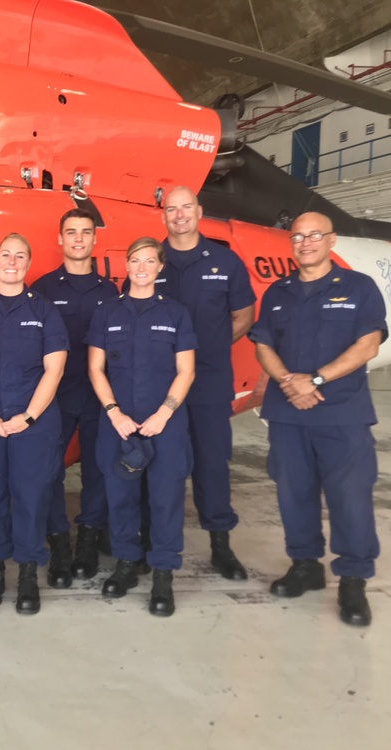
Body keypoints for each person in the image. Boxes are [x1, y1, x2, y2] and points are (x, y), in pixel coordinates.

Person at [248, 212, 386, 627]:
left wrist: (317, 379)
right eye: (298, 236)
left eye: (314, 235)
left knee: (350, 498)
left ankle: (353, 580)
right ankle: (305, 565)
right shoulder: (278, 293)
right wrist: (289, 381)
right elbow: (263, 346)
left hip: (341, 413)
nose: (306, 243)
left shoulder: (359, 287)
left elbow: (368, 345)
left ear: (330, 239)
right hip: (288, 413)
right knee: (293, 495)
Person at [139, 186, 256, 579]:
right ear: (163, 216)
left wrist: (208, 349)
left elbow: (243, 316)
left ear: (199, 211)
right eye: (171, 209)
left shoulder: (225, 261)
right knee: (158, 466)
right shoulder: (150, 263)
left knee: (211, 465)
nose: (179, 215)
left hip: (208, 383)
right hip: (158, 388)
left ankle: (220, 546)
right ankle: (151, 542)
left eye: (186, 207)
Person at [87, 236, 196, 617]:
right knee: (121, 497)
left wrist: (164, 412)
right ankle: (127, 564)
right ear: (127, 265)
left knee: (165, 499)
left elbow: (186, 370)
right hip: (118, 422)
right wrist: (114, 412)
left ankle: (163, 573)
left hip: (165, 423)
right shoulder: (107, 313)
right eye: (135, 260)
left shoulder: (176, 314)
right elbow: (95, 369)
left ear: (160, 267)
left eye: (150, 261)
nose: (142, 267)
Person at [0, 233, 67, 614]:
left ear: (28, 263)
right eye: (5, 254)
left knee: (31, 496)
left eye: (20, 256)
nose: (12, 261)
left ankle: (26, 573)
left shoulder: (44, 311)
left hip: (34, 424)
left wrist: (27, 417)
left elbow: (54, 370)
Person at [31, 208, 119, 585]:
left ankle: (87, 540)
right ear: (60, 239)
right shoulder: (44, 288)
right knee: (49, 473)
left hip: (99, 397)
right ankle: (59, 547)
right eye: (71, 232)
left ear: (95, 239)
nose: (78, 239)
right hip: (58, 398)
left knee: (98, 473)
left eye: (85, 232)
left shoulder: (110, 291)